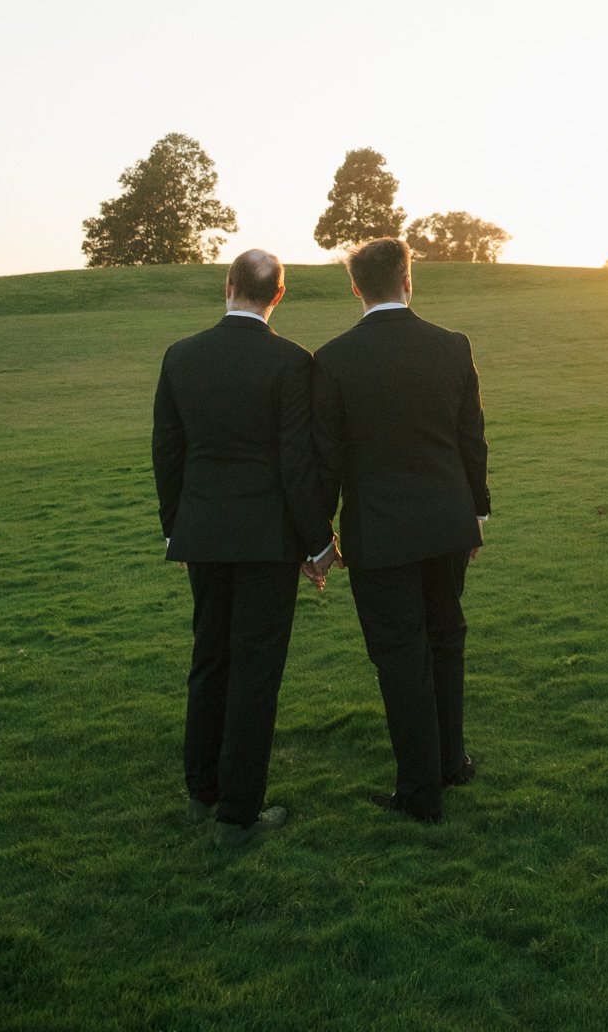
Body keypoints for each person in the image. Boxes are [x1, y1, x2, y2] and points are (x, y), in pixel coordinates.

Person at [152, 248, 336, 849]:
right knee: (256, 670)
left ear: (227, 285)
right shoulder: (290, 361)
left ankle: (201, 792)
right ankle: (238, 813)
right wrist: (318, 543)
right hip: (267, 539)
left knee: (210, 657)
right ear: (277, 294)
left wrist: (176, 527)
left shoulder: (181, 356)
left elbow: (168, 453)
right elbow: (296, 462)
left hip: (202, 533)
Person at [311, 237, 490, 822]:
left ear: (356, 286)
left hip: (379, 534)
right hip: (446, 524)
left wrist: (319, 538)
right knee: (445, 639)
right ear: (409, 280)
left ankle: (420, 791)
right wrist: (477, 513)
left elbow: (327, 460)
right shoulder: (452, 346)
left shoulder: (333, 359)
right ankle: (449, 764)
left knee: (400, 655)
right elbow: (471, 440)